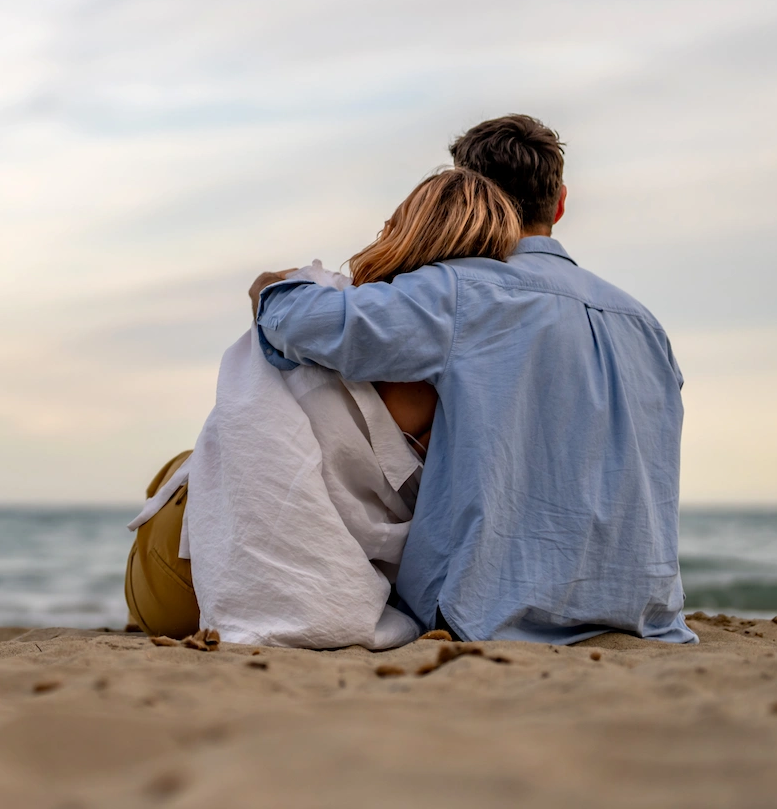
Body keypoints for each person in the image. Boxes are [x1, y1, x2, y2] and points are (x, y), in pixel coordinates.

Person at [252, 114, 695, 644]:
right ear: (559, 203)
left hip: (489, 613)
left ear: (474, 197)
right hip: (643, 616)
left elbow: (307, 325)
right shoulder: (644, 323)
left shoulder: (459, 293)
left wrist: (271, 290)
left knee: (271, 363)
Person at [123, 166, 523, 646]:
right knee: (189, 469)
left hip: (188, 577)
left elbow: (265, 291)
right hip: (345, 576)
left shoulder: (340, 312)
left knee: (183, 469)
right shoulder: (492, 364)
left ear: (409, 232)